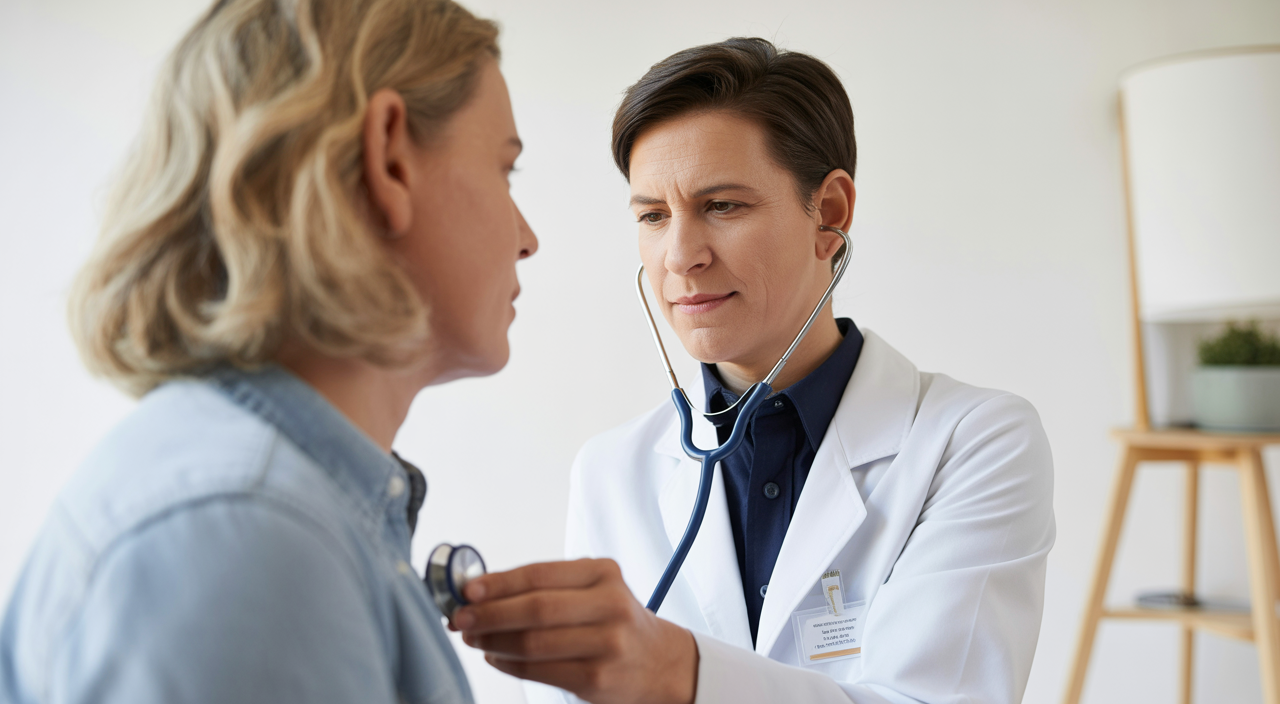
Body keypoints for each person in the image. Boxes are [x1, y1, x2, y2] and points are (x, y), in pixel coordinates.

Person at [453, 38, 1055, 704]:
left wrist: (677, 673)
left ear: (828, 215)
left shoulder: (972, 442)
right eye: (653, 216)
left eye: (723, 207)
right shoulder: (611, 472)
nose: (680, 256)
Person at [0, 1, 536, 702]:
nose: (526, 236)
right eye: (505, 172)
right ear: (391, 157)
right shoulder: (246, 536)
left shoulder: (272, 507)